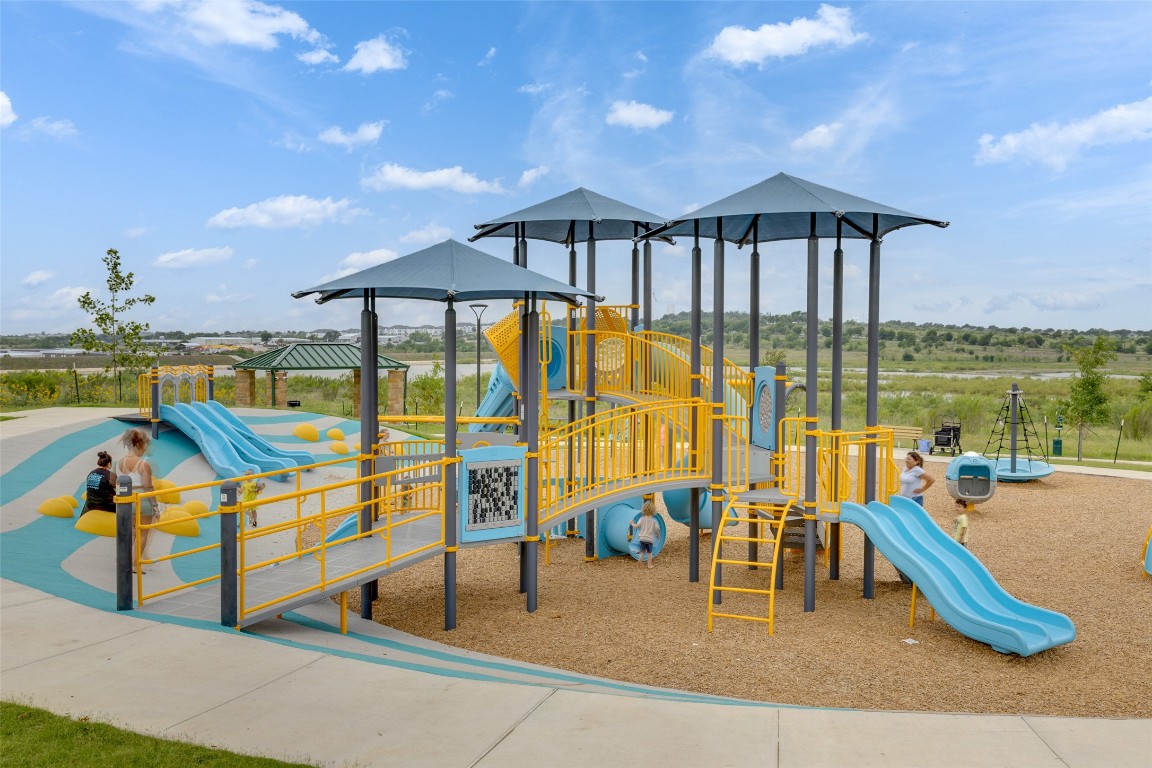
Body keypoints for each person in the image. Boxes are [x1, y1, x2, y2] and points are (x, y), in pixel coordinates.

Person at [117, 429, 158, 572]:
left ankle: (124, 561)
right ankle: (135, 564)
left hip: (125, 501)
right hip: (142, 501)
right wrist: (155, 506)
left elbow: (113, 481)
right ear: (140, 445)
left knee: (129, 533)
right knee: (143, 533)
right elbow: (148, 486)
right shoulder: (143, 464)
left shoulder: (118, 462)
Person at [630, 498, 661, 569]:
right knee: (649, 553)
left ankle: (639, 562)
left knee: (642, 552)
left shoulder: (641, 519)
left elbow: (636, 526)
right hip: (649, 540)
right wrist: (658, 535)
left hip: (642, 539)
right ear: (653, 511)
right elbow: (657, 529)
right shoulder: (654, 521)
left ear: (643, 510)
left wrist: (631, 523)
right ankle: (649, 565)